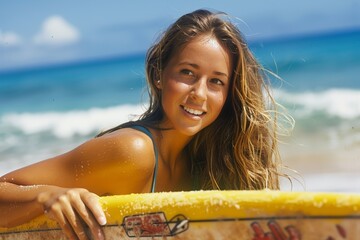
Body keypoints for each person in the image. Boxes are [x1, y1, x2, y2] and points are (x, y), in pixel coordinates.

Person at [0, 9, 286, 240]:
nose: (199, 93)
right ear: (159, 75)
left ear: (228, 94)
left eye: (216, 81)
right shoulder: (132, 152)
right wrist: (46, 197)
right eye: (187, 73)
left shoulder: (208, 161)